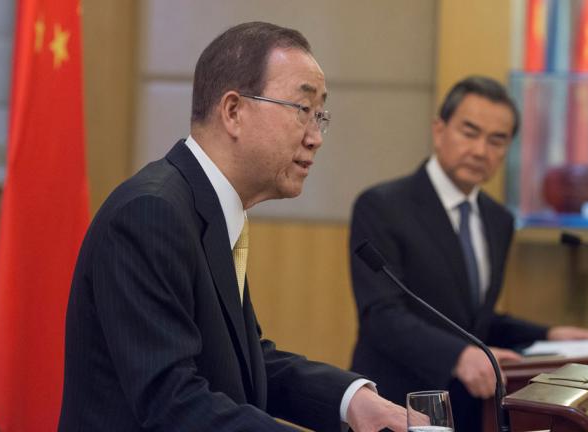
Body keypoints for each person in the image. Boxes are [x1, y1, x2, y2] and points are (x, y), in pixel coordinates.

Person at [59, 22, 408, 432]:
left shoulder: (207, 208)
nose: (316, 137)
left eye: (320, 116)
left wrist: (352, 400)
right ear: (233, 112)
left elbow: (244, 362)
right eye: (303, 110)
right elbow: (173, 401)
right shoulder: (149, 214)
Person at [348, 76, 588, 432]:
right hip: (395, 403)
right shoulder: (382, 206)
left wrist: (548, 334)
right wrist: (458, 356)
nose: (481, 150)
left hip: (470, 409)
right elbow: (382, 315)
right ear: (439, 130)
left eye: (497, 140)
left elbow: (471, 320)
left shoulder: (499, 220)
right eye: (470, 132)